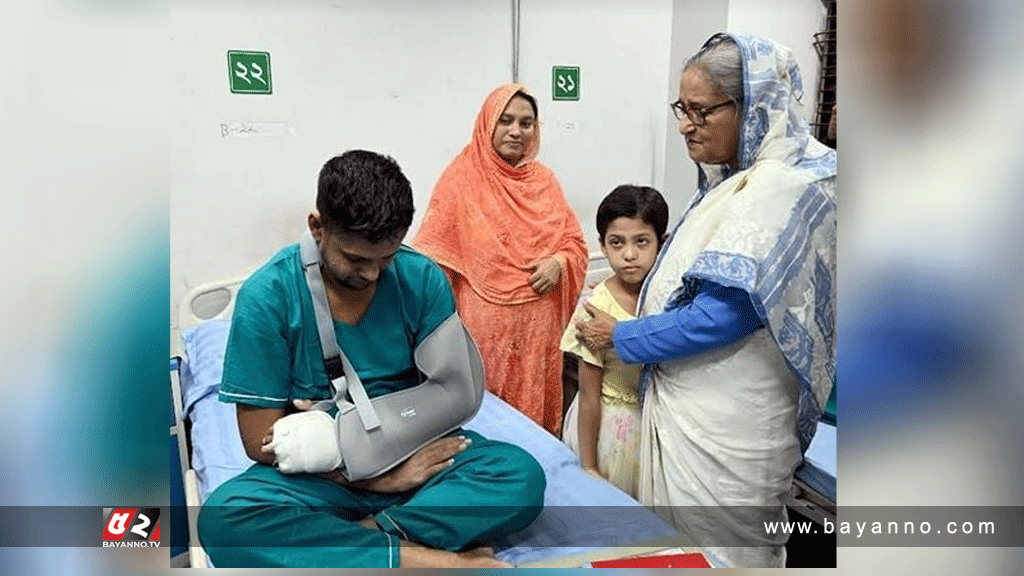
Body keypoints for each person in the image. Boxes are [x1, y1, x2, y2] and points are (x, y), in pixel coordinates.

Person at [197, 150, 545, 568]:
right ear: (317, 227)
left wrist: (400, 469)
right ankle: (427, 559)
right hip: (323, 478)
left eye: (388, 257)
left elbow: (455, 392)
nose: (374, 274)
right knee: (224, 518)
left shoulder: (421, 279)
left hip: (419, 457)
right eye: (357, 259)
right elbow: (259, 441)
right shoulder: (267, 298)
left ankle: (367, 540)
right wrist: (377, 479)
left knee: (518, 476)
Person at [574, 33, 836, 567]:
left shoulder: (783, 186)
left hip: (729, 422)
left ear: (752, 107)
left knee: (723, 554)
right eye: (681, 108)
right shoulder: (735, 183)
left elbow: (725, 314)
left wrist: (619, 335)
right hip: (692, 406)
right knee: (678, 550)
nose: (684, 125)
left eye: (700, 111)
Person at [412, 83, 588, 435]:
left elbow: (574, 243)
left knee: (535, 425)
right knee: (486, 421)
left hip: (539, 335)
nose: (516, 131)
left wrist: (559, 262)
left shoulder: (544, 181)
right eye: (505, 120)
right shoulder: (460, 180)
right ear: (487, 124)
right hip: (483, 335)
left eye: (526, 123)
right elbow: (431, 260)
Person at [559, 185, 668, 499]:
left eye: (642, 242)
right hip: (613, 432)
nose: (629, 255)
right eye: (616, 243)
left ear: (661, 243)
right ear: (603, 247)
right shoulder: (596, 308)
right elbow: (590, 397)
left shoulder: (668, 300)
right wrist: (590, 466)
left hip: (657, 428)